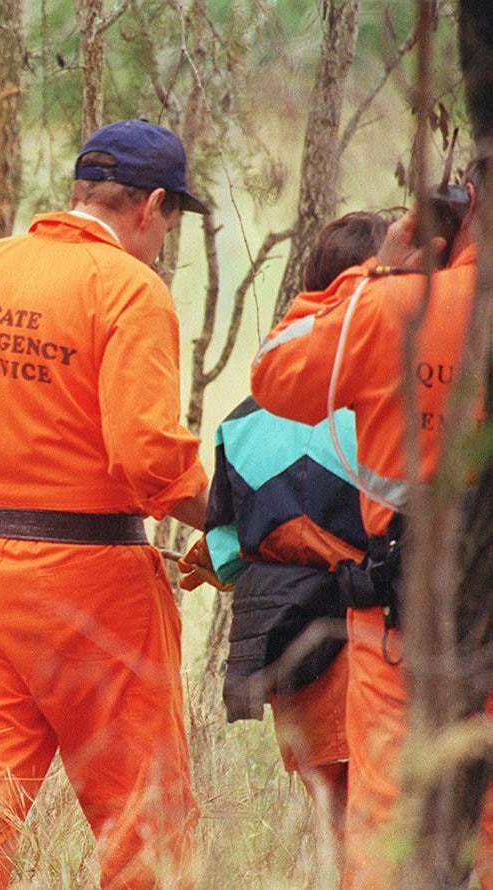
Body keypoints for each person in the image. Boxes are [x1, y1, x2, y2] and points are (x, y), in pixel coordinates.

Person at [0, 118, 211, 888]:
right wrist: (241, 519)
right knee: (143, 815)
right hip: (95, 585)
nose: (163, 241)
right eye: (169, 224)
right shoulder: (131, 289)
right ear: (152, 208)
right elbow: (149, 458)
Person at [251, 181, 485, 885]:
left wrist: (377, 269)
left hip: (399, 627)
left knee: (384, 826)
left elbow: (275, 373)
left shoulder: (392, 307)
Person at [190, 211, 389, 856]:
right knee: (388, 833)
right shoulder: (389, 402)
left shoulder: (247, 416)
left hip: (286, 651)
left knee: (342, 826)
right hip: (369, 638)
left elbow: (232, 544)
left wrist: (201, 561)